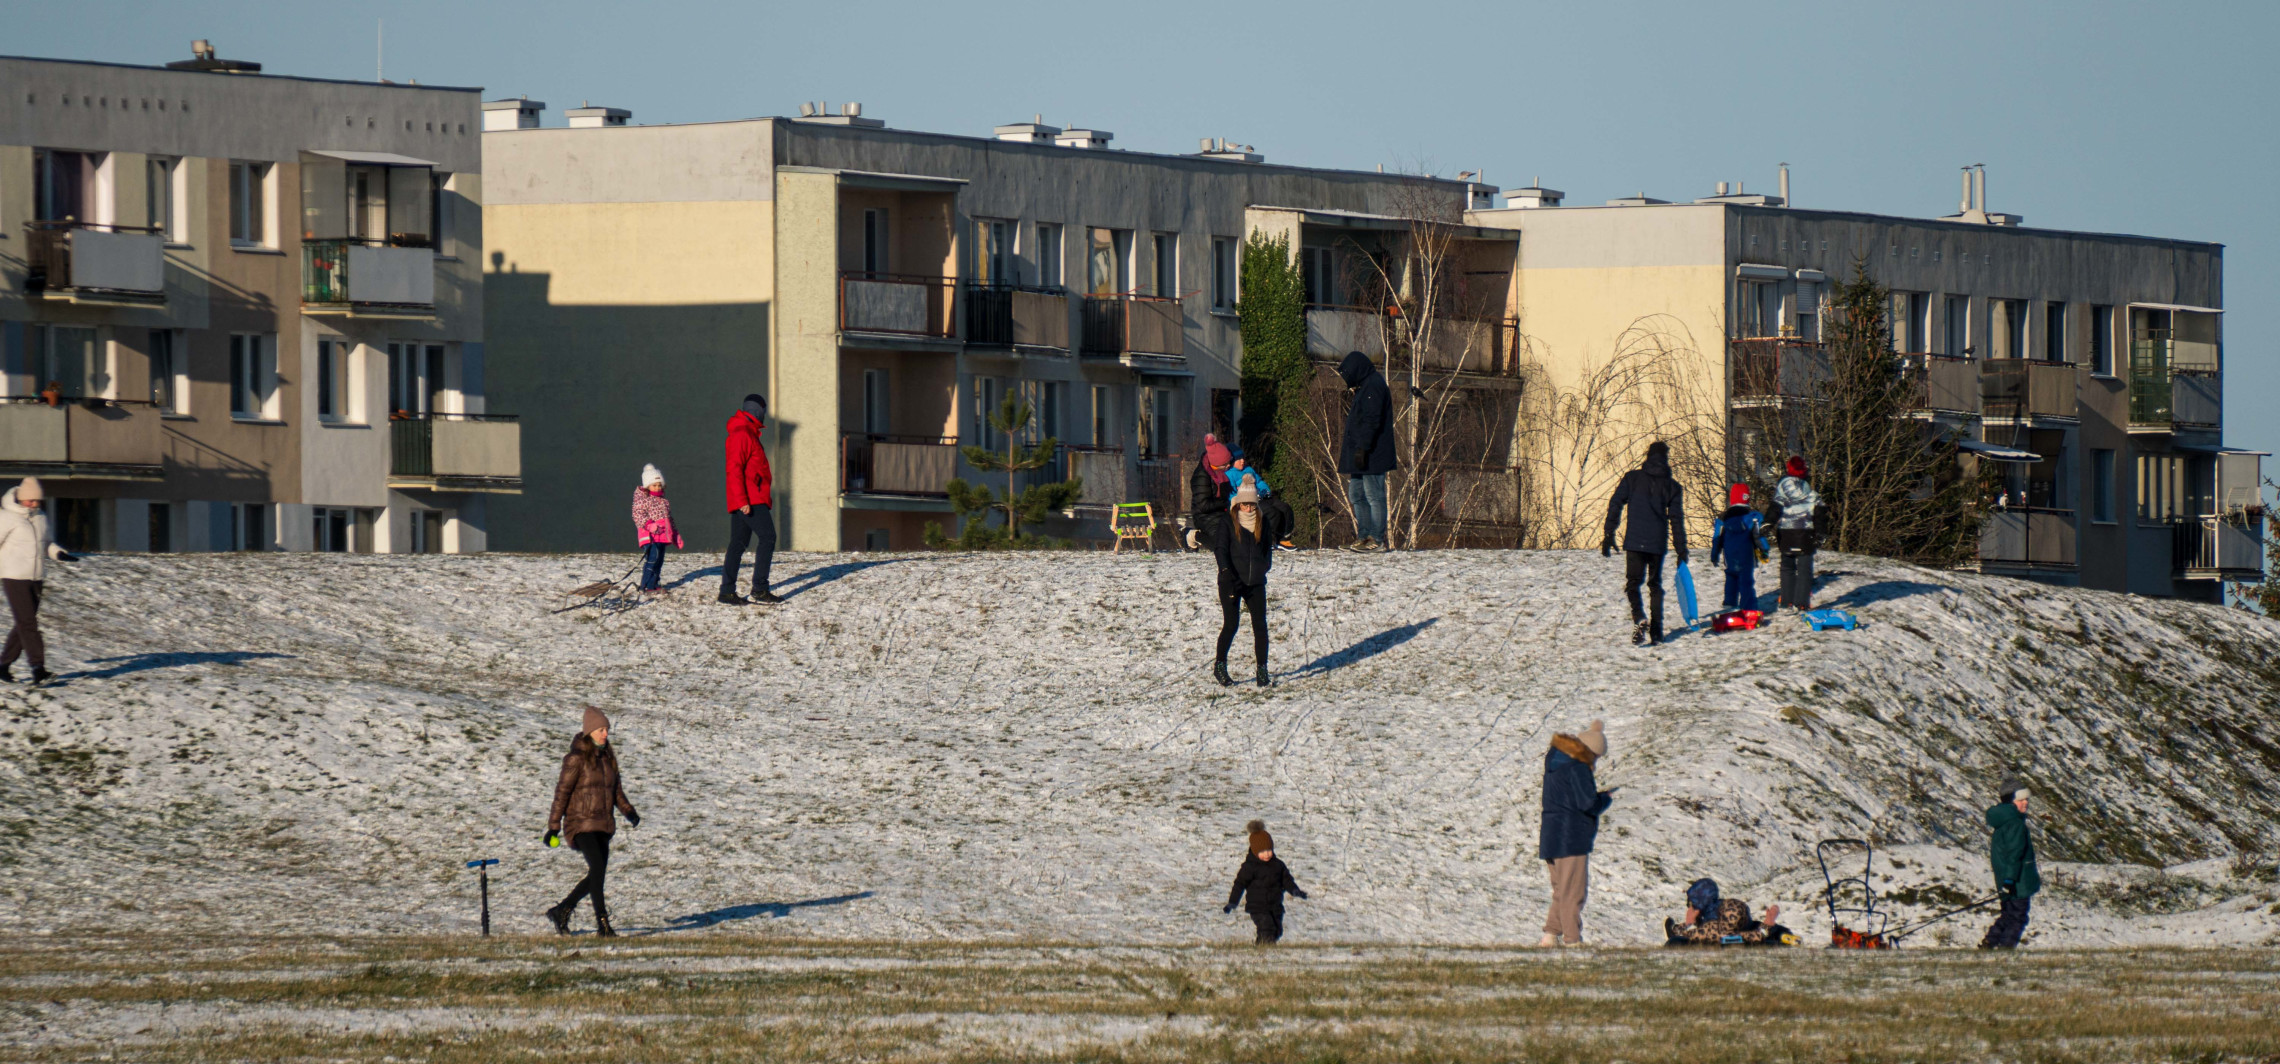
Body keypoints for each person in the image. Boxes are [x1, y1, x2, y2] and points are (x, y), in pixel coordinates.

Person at [545, 706, 640, 937]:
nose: (605, 734)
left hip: (603, 825)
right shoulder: (575, 759)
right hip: (580, 824)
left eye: (606, 729)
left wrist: (629, 812)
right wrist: (553, 827)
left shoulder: (608, 759)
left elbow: (616, 791)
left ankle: (562, 910)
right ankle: (603, 925)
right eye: (601, 729)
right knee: (597, 869)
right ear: (589, 732)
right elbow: (562, 793)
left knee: (597, 875)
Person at [1191, 480, 1295, 688]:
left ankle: (1262, 669)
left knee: (1260, 626)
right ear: (1238, 504)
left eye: (1252, 505)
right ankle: (1220, 665)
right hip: (1231, 581)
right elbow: (1220, 549)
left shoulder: (1263, 522)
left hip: (1255, 581)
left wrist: (1264, 567)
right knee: (1231, 624)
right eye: (1244, 505)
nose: (1248, 509)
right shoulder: (1228, 522)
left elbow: (1267, 549)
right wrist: (1226, 572)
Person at [1602, 441, 1688, 646]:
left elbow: (1616, 503)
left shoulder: (1632, 478)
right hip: (1657, 544)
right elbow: (1676, 519)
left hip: (1634, 541)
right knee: (1655, 585)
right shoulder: (1672, 487)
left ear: (1648, 456)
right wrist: (1681, 550)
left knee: (1633, 584)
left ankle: (1639, 616)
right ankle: (1657, 632)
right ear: (1666, 459)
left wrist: (1608, 533)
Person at [1538, 720, 1611, 947]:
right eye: (1597, 757)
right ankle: (1572, 940)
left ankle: (1550, 935)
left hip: (1551, 835)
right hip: (1572, 837)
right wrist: (1604, 799)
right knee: (1573, 892)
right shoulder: (1578, 767)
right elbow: (1587, 803)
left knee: (1561, 889)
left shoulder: (1556, 761)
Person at [0, 478, 72, 685]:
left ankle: (3, 666)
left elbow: (47, 542)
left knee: (23, 623)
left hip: (36, 576)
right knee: (28, 623)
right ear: (21, 498)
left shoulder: (40, 517)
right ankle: (38, 669)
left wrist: (59, 553)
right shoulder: (6, 517)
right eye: (30, 500)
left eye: (37, 500)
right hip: (14, 576)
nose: (34, 504)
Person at [720, 393, 778, 605]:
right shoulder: (742, 433)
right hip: (750, 499)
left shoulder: (748, 433)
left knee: (738, 543)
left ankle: (726, 592)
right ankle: (760, 589)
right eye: (763, 409)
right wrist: (742, 500)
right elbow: (733, 470)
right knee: (768, 537)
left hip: (749, 497)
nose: (765, 414)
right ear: (757, 411)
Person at [1336, 350, 1395, 552]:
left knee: (1374, 495)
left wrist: (1363, 448)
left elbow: (1371, 421)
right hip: (1361, 453)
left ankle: (1376, 539)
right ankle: (1363, 536)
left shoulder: (1373, 386)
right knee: (1357, 494)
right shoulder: (1366, 386)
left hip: (1371, 454)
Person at [1979, 778, 2041, 949]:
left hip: (2006, 879)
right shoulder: (2016, 824)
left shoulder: (2002, 823)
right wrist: (2010, 880)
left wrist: (2005, 880)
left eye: (2026, 799)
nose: (2025, 803)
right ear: (2011, 801)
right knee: (2018, 917)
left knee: (2007, 914)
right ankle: (2005, 950)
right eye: (2021, 799)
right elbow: (2014, 855)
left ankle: (1989, 943)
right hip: (2017, 882)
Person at [1224, 819, 1308, 944]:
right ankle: (1266, 952)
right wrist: (1232, 902)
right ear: (1254, 851)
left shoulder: (1278, 865)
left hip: (1275, 905)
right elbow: (1239, 884)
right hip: (1258, 906)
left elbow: (1286, 880)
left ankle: (1261, 950)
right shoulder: (1250, 867)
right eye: (1262, 851)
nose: (1267, 854)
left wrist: (1295, 890)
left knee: (1277, 931)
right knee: (1267, 928)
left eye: (1269, 850)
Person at [1765, 456, 1824, 611]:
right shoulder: (1810, 493)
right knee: (1804, 569)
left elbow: (1775, 508)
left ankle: (1786, 601)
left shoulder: (1782, 491)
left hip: (1786, 536)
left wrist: (1767, 523)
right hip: (1806, 535)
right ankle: (1802, 603)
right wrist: (1821, 533)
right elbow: (1820, 513)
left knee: (1787, 567)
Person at [1665, 877, 1783, 945]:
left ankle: (1765, 932)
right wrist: (1767, 924)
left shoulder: (1712, 925)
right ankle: (1771, 930)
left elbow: (1697, 934)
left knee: (1711, 935)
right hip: (1746, 921)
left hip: (1728, 927)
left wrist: (1689, 923)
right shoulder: (1719, 907)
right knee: (1755, 928)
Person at [1709, 483, 1770, 612]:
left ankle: (1729, 604)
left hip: (1730, 556)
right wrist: (1764, 549)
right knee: (1746, 581)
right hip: (1746, 555)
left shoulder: (1723, 518)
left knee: (1731, 577)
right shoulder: (1753, 518)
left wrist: (1714, 555)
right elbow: (1758, 536)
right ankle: (1748, 607)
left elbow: (1717, 538)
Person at [631, 464, 683, 593]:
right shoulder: (643, 500)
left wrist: (675, 533)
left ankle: (654, 583)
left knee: (659, 560)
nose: (658, 487)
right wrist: (649, 524)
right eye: (654, 485)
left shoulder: (664, 501)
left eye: (660, 485)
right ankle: (646, 585)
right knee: (652, 559)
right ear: (647, 486)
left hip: (663, 535)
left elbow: (670, 519)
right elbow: (637, 515)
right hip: (650, 536)